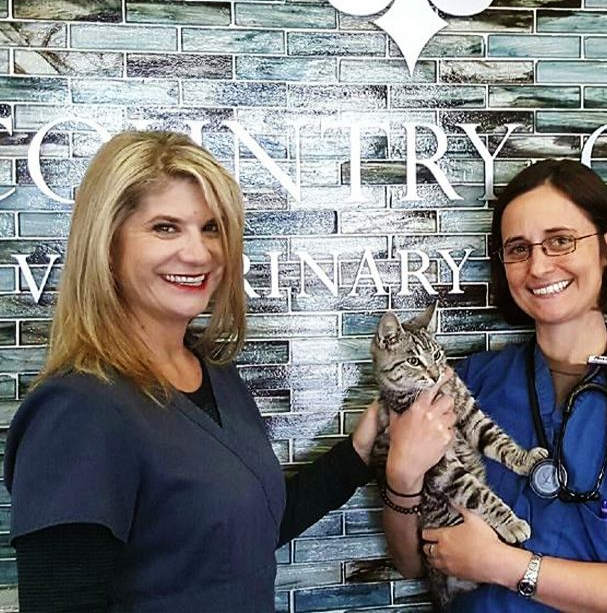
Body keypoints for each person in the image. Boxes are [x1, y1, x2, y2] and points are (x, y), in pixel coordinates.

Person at [4, 131, 379, 613]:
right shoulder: (78, 410)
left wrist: (361, 451)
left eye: (211, 228)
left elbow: (240, 533)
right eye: (165, 227)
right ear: (108, 244)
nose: (199, 253)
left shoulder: (214, 374)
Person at [383, 159, 607, 612]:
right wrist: (401, 477)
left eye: (560, 241)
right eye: (518, 249)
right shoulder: (471, 383)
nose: (538, 266)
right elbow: (411, 562)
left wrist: (503, 564)